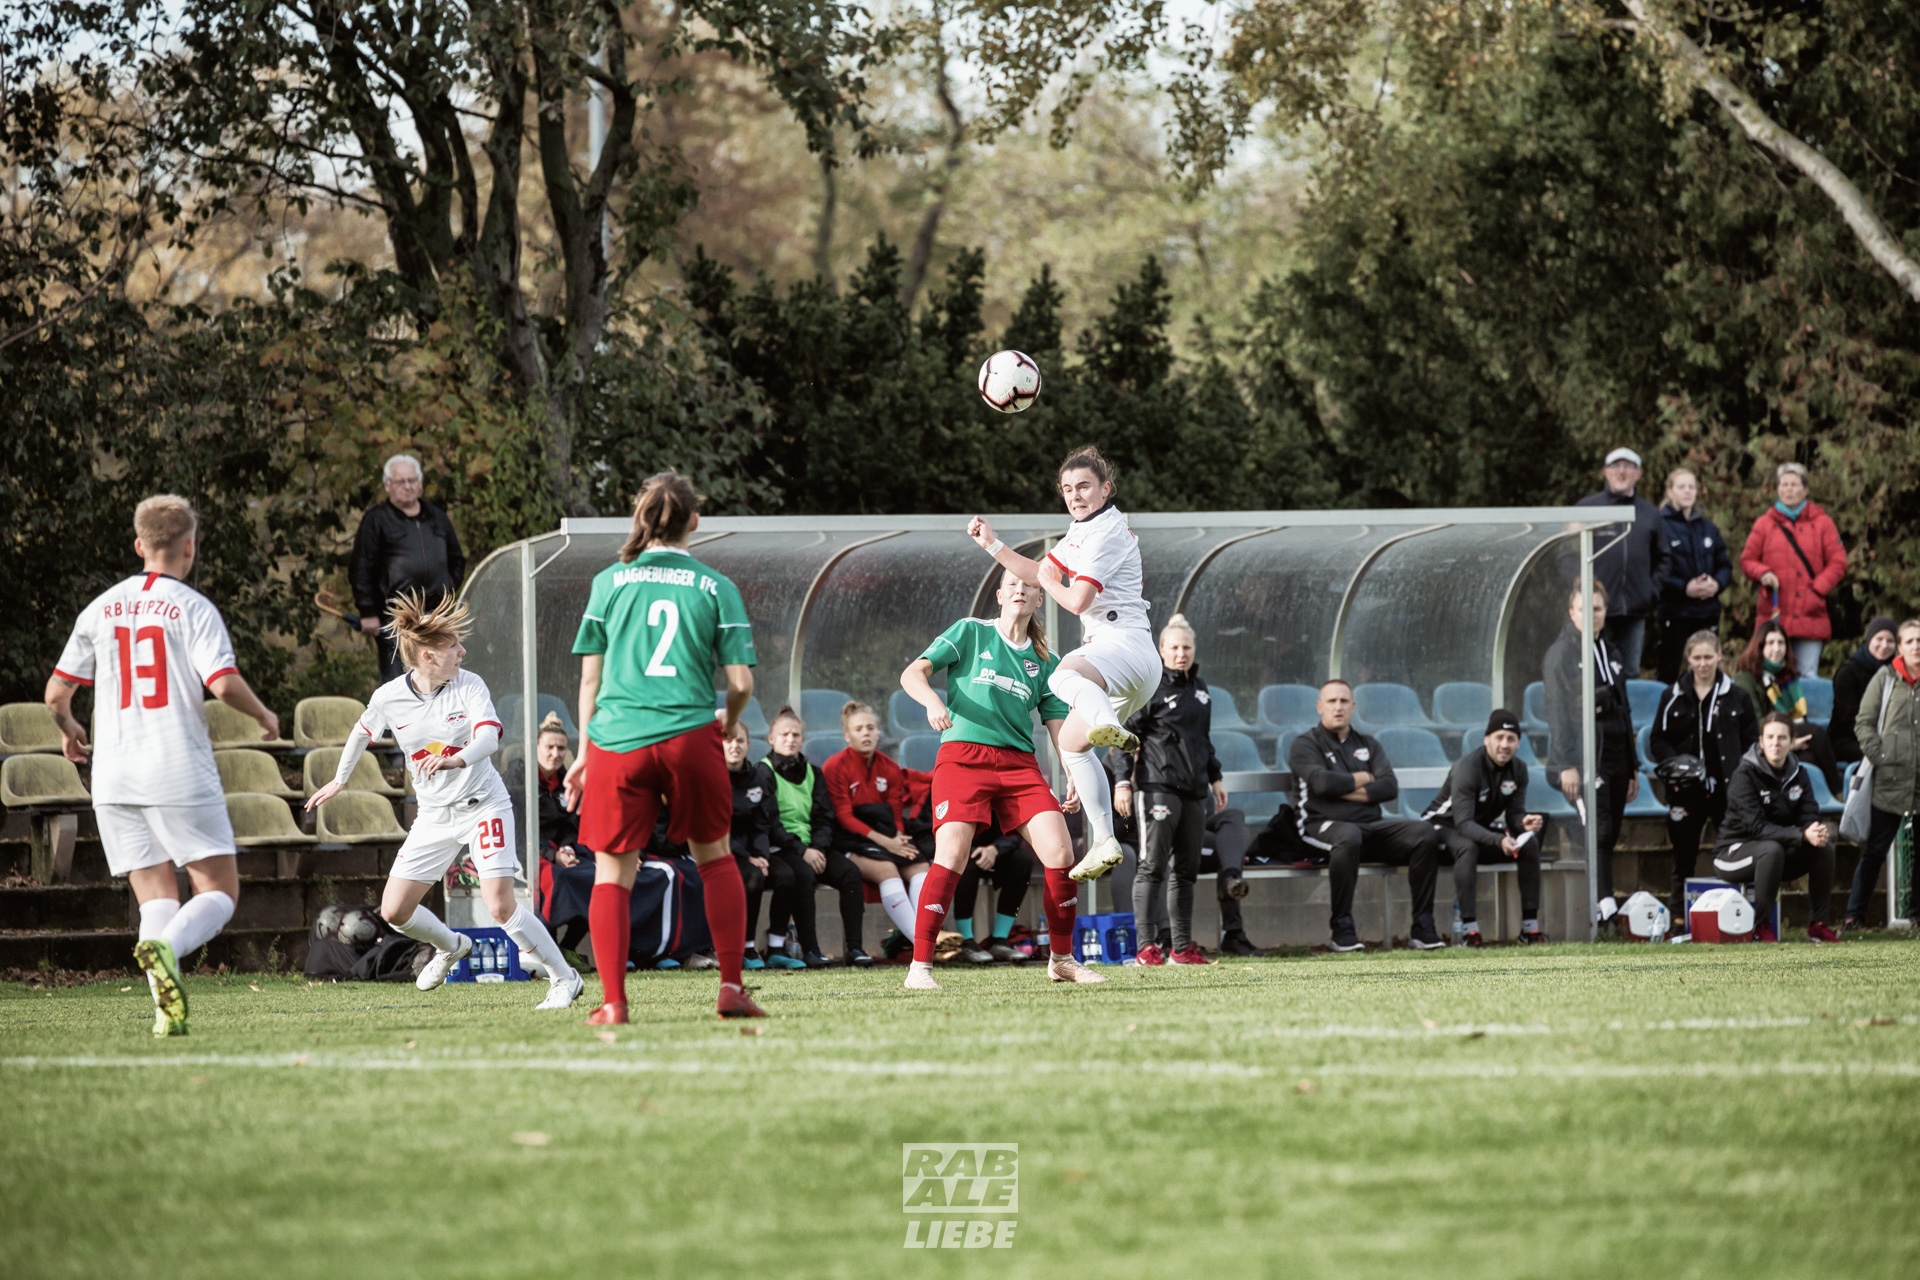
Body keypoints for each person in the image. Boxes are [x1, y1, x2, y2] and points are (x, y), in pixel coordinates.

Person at [44, 495, 281, 1037]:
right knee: (220, 891)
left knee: (155, 894)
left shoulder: (100, 607)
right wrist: (264, 713)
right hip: (175, 766)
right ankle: (165, 948)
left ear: (138, 545)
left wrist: (69, 731)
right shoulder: (193, 608)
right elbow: (220, 682)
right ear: (189, 547)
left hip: (113, 776)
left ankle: (164, 1013)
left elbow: (57, 693)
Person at [310, 590, 584, 1009]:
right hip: (435, 816)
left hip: (483, 805)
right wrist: (339, 780)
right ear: (427, 656)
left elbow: (489, 737)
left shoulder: (469, 684)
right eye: (453, 645)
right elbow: (363, 730)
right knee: (395, 910)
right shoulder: (389, 697)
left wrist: (455, 760)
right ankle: (452, 946)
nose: (462, 650)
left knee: (499, 904)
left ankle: (564, 978)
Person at [562, 471, 764, 1023]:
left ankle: (613, 1004)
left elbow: (589, 683)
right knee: (716, 859)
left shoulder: (609, 582)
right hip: (689, 734)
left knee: (612, 874)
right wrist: (729, 724)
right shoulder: (717, 585)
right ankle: (730, 988)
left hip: (617, 741)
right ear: (695, 521)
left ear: (640, 518)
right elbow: (741, 683)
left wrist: (582, 753)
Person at [898, 566, 1109, 989]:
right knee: (953, 854)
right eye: (1012, 584)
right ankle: (920, 968)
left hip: (1019, 765)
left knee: (1061, 853)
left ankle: (1062, 960)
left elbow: (1056, 724)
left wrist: (1071, 769)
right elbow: (912, 674)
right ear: (999, 595)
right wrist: (930, 703)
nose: (1020, 590)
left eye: (1028, 586)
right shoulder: (969, 631)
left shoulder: (1046, 662)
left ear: (1038, 600)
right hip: (963, 757)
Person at [966, 444, 1159, 885]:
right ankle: (1105, 840)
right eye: (1068, 489)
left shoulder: (1109, 531)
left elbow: (1075, 600)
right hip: (1120, 660)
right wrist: (992, 544)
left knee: (1061, 673)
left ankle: (1108, 722)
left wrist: (1052, 582)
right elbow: (1037, 573)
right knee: (1073, 748)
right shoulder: (1079, 531)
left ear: (1106, 489)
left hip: (1125, 644)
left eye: (1085, 486)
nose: (1075, 495)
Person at [1108, 613, 1252, 965]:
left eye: (1186, 647)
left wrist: (1215, 778)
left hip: (1194, 791)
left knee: (1185, 872)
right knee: (1152, 866)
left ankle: (1182, 948)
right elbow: (1122, 740)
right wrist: (1123, 782)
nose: (1181, 653)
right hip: (1157, 788)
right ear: (1161, 649)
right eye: (1174, 647)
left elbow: (1202, 741)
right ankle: (1146, 947)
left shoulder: (1201, 690)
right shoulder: (1147, 688)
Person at [1289, 679, 1446, 951]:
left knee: (1423, 833)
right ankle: (1342, 930)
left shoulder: (1369, 744)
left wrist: (1341, 787)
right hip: (1319, 826)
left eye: (1344, 701)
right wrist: (1364, 777)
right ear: (1319, 707)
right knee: (1348, 836)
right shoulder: (1305, 744)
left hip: (1370, 827)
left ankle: (1423, 927)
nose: (1338, 707)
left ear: (1353, 706)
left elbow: (1388, 787)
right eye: (1331, 701)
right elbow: (1321, 785)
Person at [1543, 581, 1641, 924]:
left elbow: (1624, 709)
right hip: (1582, 762)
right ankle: (1605, 912)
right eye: (1584, 609)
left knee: (1609, 834)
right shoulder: (1561, 655)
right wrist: (1567, 764)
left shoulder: (1612, 653)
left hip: (1615, 759)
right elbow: (1556, 712)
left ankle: (1600, 908)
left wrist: (1633, 766)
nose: (1592, 615)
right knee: (1596, 830)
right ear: (1572, 613)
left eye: (1598, 609)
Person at [1648, 631, 1759, 920]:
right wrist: (1676, 765)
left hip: (1728, 790)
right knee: (1682, 856)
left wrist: (1744, 779)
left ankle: (1742, 916)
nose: (1703, 663)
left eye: (1708, 657)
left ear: (1720, 656)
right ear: (1688, 659)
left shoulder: (1738, 696)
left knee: (1736, 853)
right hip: (1685, 791)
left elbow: (1751, 742)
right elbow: (1657, 740)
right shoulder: (1671, 695)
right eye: (1697, 657)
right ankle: (1677, 920)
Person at [1423, 709, 1548, 946]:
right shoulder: (1468, 768)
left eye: (1511, 739)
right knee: (1467, 847)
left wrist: (1524, 823)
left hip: (1476, 828)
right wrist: (1497, 840)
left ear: (1518, 743)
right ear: (1486, 739)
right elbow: (1463, 823)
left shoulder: (1519, 770)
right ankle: (1469, 932)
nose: (1504, 744)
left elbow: (1513, 816)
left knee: (1529, 843)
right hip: (1439, 827)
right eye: (1499, 737)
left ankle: (1530, 930)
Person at [1711, 714, 1839, 943]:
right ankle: (1762, 927)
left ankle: (1818, 925)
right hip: (1731, 855)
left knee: (1824, 849)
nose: (1775, 743)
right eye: (1769, 737)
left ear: (1792, 742)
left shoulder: (1799, 773)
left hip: (1774, 854)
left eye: (1781, 738)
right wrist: (1801, 835)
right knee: (1771, 849)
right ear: (1761, 741)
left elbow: (1809, 815)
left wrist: (1815, 831)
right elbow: (1757, 828)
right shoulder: (1744, 774)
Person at [825, 700, 932, 956]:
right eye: (859, 729)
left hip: (884, 835)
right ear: (847, 735)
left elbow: (895, 811)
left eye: (870, 728)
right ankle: (925, 945)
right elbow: (844, 817)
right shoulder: (835, 767)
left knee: (920, 865)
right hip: (848, 838)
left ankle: (920, 936)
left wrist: (897, 837)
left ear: (878, 733)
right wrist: (887, 843)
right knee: (887, 869)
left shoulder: (890, 767)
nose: (866, 733)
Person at [349, 454, 467, 684]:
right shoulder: (376, 520)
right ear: (388, 485)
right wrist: (368, 611)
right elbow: (360, 567)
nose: (407, 486)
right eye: (400, 481)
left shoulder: (437, 517)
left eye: (412, 480)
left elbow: (456, 559)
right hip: (396, 621)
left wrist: (447, 590)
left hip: (437, 618)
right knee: (401, 684)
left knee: (442, 681)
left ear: (420, 484)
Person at [763, 706, 864, 966]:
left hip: (813, 848)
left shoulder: (813, 772)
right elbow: (770, 824)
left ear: (802, 739)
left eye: (796, 734)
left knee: (850, 872)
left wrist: (817, 848)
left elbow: (823, 817)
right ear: (771, 739)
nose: (791, 739)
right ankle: (811, 949)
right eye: (784, 734)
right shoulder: (762, 772)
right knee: (804, 875)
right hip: (782, 848)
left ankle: (855, 948)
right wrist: (802, 851)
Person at [1739, 461, 1846, 678]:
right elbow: (1747, 560)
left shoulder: (1823, 523)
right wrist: (1763, 573)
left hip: (1811, 614)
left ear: (1805, 489)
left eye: (1794, 484)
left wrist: (1818, 589)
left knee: (1807, 676)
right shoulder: (1764, 524)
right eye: (1784, 484)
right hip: (1774, 613)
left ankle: (1801, 714)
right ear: (1778, 489)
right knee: (1770, 675)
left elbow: (1838, 562)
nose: (1789, 489)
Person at [1846, 619, 1920, 931]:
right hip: (1887, 781)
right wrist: (1881, 757)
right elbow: (1864, 722)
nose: (1917, 646)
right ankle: (1853, 917)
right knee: (1875, 851)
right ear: (1900, 647)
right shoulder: (1886, 677)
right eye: (1911, 641)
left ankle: (1916, 916)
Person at [1574, 446, 1671, 676]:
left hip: (1634, 612)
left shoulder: (1649, 513)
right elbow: (1565, 553)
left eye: (1628, 467)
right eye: (1615, 466)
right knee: (1592, 672)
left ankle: (1625, 714)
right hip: (1594, 609)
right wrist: (1581, 588)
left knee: (1628, 673)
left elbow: (1664, 557)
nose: (1621, 471)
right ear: (1605, 472)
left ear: (1638, 474)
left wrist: (1650, 591)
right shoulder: (1586, 508)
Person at [724, 719, 806, 971]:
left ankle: (776, 948)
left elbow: (763, 823)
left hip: (753, 852)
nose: (734, 745)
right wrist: (747, 857)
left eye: (740, 740)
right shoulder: (713, 779)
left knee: (786, 876)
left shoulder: (756, 778)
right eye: (728, 740)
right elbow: (718, 827)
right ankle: (746, 948)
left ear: (749, 744)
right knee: (754, 877)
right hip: (724, 850)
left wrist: (760, 854)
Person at [1732, 620, 1843, 794]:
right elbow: (1753, 722)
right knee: (1815, 733)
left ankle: (1810, 809)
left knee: (1809, 758)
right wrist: (1787, 743)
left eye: (1781, 643)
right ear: (1759, 646)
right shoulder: (1746, 677)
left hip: (1788, 733)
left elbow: (1799, 715)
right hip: (1764, 740)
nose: (1776, 648)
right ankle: (1839, 791)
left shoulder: (1786, 676)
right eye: (1770, 643)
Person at [1654, 467, 1731, 684]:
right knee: (1669, 673)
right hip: (1674, 613)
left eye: (1691, 487)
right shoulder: (1660, 526)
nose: (1687, 491)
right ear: (1670, 492)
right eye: (1681, 487)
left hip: (1707, 612)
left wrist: (1716, 584)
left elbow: (1725, 565)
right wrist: (1684, 587)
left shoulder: (1708, 528)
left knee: (1709, 671)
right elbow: (1657, 570)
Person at [532, 713, 595, 955]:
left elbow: (570, 826)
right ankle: (547, 952)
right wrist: (551, 855)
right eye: (549, 747)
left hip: (559, 850)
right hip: (528, 851)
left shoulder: (567, 782)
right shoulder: (519, 777)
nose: (555, 754)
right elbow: (517, 830)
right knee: (559, 880)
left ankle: (568, 948)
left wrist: (567, 848)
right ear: (536, 747)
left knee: (594, 877)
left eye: (561, 748)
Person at [945, 819, 1035, 963]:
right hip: (958, 850)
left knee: (1022, 859)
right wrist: (970, 849)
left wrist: (995, 848)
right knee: (965, 861)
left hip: (994, 852)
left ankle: (1000, 939)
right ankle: (965, 941)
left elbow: (1015, 827)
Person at [1830, 615, 1897, 765]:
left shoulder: (1897, 673)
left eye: (1890, 641)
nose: (1884, 645)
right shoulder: (1848, 673)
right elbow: (1849, 718)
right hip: (1847, 739)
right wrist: (1876, 740)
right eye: (1879, 639)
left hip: (1888, 738)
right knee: (1886, 756)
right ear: (1869, 640)